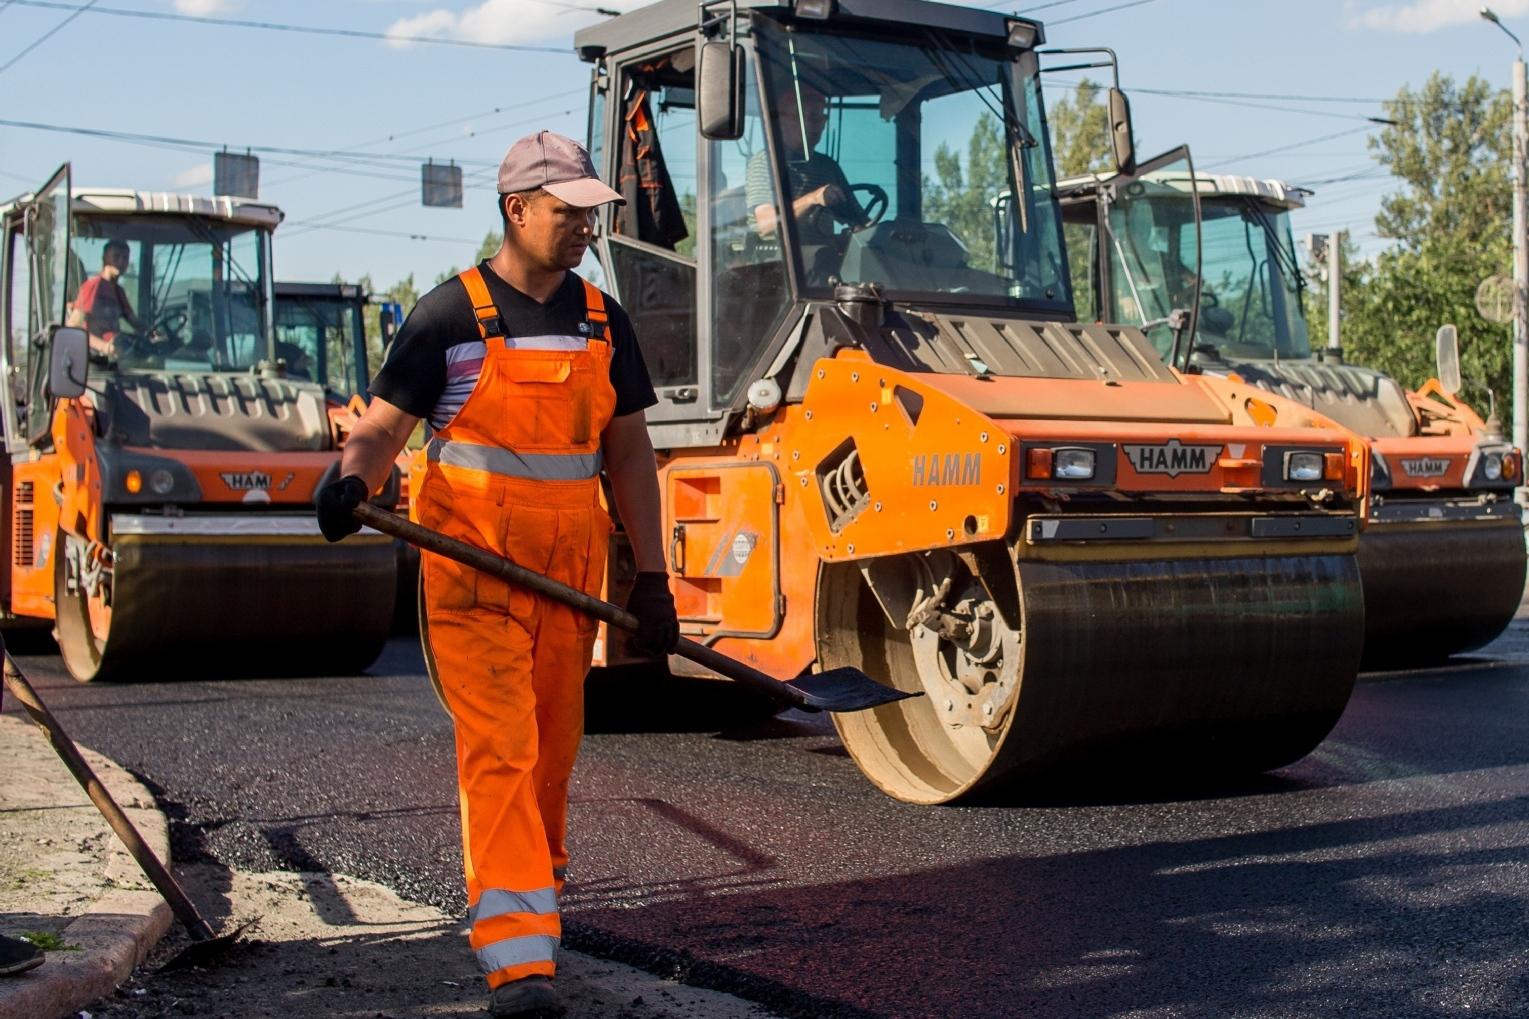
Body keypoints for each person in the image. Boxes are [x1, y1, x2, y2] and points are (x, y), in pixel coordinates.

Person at [314, 130, 677, 1019]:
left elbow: (628, 457)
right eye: (569, 211)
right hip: (474, 577)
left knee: (551, 758)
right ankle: (517, 967)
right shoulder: (447, 316)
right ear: (517, 210)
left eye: (593, 213)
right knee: (503, 754)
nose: (586, 227)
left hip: (569, 582)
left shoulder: (602, 320)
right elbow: (385, 425)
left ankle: (532, 915)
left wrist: (654, 576)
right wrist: (351, 476)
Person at [746, 80, 863, 247]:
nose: (813, 125)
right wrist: (812, 199)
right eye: (805, 117)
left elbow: (858, 219)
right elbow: (766, 224)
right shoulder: (767, 161)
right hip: (777, 263)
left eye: (819, 117)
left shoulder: (828, 167)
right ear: (783, 121)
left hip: (823, 261)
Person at [67, 240, 142, 357]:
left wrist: (153, 333)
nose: (121, 262)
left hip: (117, 356)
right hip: (95, 359)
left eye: (125, 258)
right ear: (105, 258)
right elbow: (74, 326)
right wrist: (104, 347)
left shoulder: (119, 291)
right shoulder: (92, 286)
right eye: (116, 257)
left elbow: (135, 322)